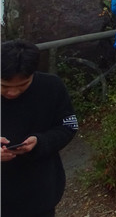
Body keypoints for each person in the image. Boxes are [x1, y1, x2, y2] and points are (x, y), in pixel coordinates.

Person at [1, 39, 79, 217]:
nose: (12, 92)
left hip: (39, 191)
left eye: (22, 85)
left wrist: (40, 142)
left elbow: (68, 125)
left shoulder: (51, 87)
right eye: (4, 86)